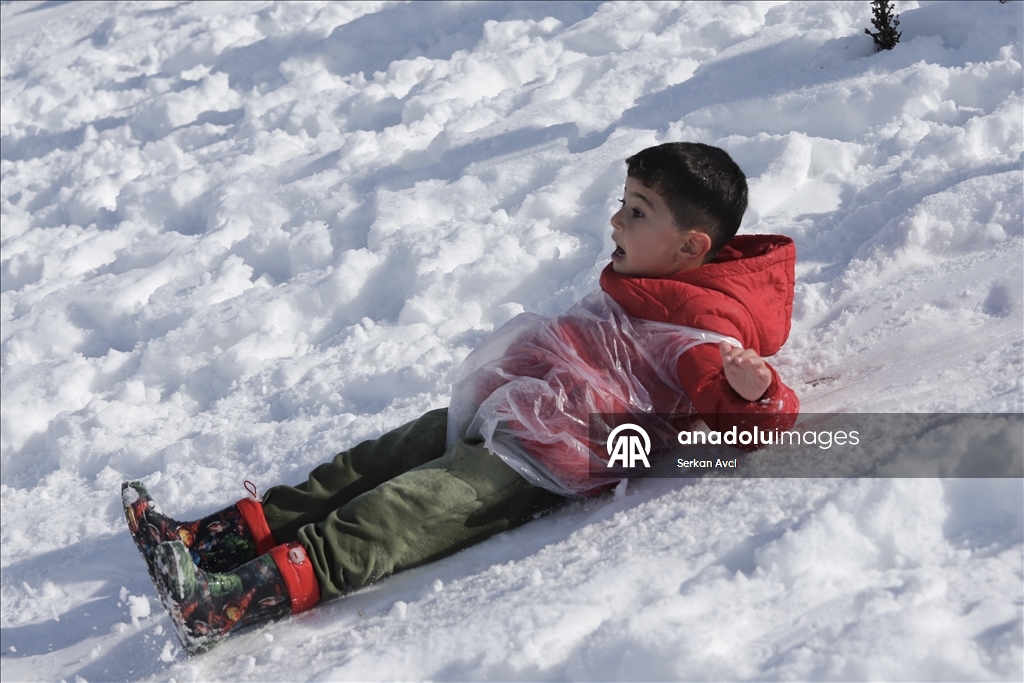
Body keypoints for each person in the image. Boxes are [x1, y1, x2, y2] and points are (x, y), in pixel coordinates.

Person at [122, 142, 799, 655]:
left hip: (541, 455)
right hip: (515, 401)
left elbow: (739, 422)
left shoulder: (701, 333)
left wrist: (759, 395)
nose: (616, 219)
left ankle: (229, 604)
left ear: (691, 246)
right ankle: (211, 539)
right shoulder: (655, 273)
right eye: (624, 202)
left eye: (637, 211)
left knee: (397, 511)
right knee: (370, 461)